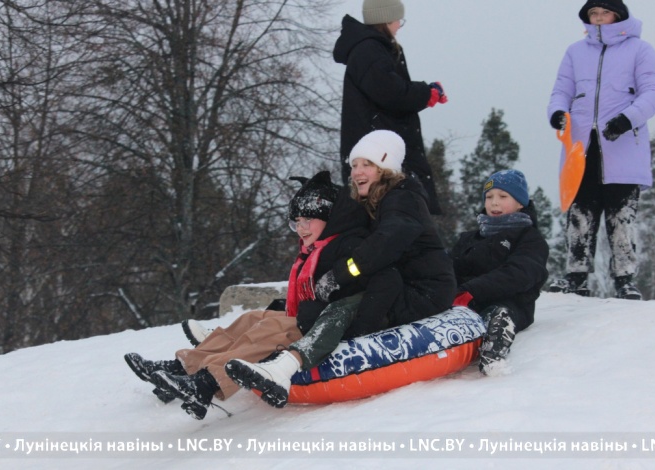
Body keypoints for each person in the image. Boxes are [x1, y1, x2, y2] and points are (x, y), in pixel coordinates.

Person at [224, 130, 456, 408]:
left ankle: (286, 365)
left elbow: (385, 244)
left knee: (344, 303)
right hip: (395, 286)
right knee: (314, 307)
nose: (357, 171)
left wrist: (341, 275)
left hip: (423, 291)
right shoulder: (378, 200)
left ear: (386, 168)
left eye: (367, 164)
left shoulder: (402, 200)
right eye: (354, 164)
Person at [123, 171, 369, 419]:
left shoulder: (348, 246)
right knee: (250, 319)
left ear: (329, 216)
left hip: (326, 324)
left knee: (268, 329)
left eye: (307, 220)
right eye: (296, 221)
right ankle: (184, 367)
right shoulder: (320, 246)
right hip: (310, 314)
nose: (301, 228)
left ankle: (206, 383)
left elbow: (345, 297)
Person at [546, 0, 655, 300]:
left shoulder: (641, 50)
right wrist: (558, 112)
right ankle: (576, 276)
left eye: (604, 13)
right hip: (581, 147)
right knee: (580, 213)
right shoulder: (575, 51)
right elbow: (562, 89)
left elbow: (653, 91)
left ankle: (625, 279)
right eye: (592, 14)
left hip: (622, 142)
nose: (597, 19)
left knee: (621, 215)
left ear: (618, 15)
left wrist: (627, 119)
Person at [333, 0, 448, 215]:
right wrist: (426, 94)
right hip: (378, 156)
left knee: (401, 215)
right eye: (398, 20)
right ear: (385, 20)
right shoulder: (369, 50)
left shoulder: (373, 48)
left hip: (381, 151)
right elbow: (390, 92)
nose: (399, 26)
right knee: (391, 216)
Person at [449, 170, 549, 376]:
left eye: (503, 197)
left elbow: (520, 273)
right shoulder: (469, 239)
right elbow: (449, 268)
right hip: (465, 303)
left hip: (510, 303)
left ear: (520, 203)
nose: (494, 203)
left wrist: (471, 290)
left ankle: (493, 353)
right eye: (489, 197)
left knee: (499, 313)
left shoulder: (529, 238)